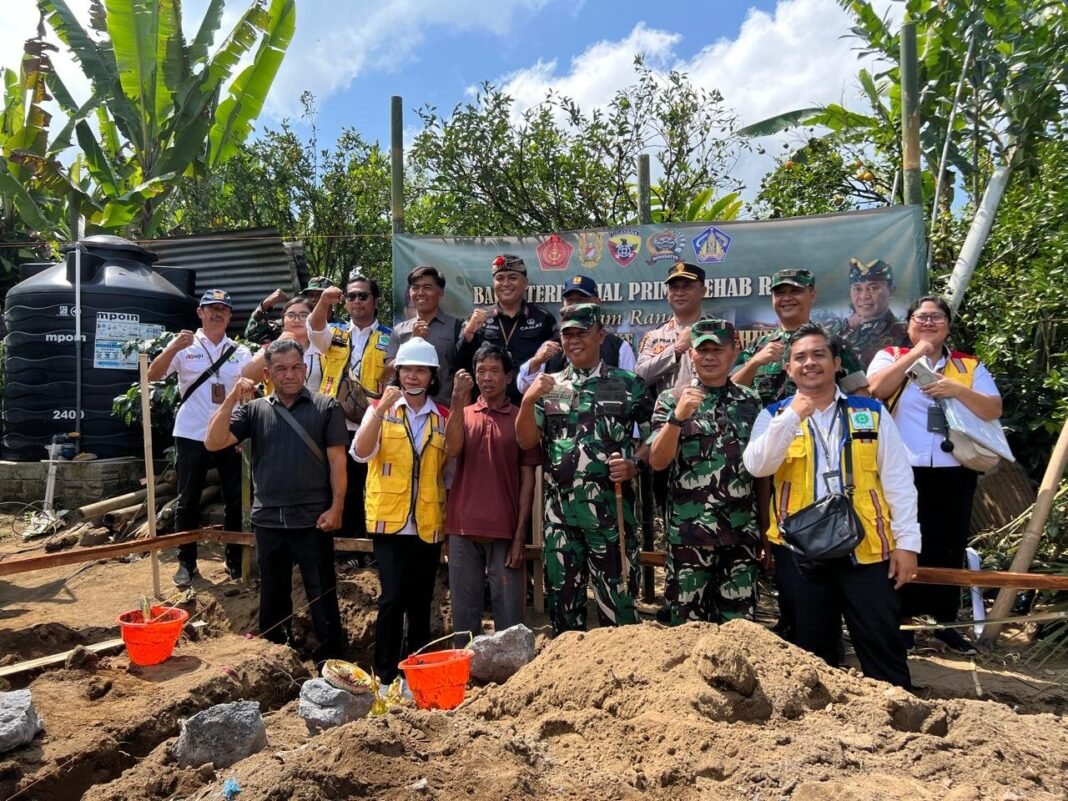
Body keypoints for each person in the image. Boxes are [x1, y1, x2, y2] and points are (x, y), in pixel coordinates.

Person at [743, 322, 921, 689]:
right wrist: (792, 416)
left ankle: (897, 711)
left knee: (881, 642)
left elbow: (899, 481)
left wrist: (907, 544)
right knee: (810, 650)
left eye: (818, 355)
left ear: (837, 363)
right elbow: (758, 466)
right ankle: (819, 719)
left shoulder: (870, 412)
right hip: (800, 551)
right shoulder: (774, 415)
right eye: (800, 358)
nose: (809, 363)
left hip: (868, 548)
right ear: (788, 368)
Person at [867, 295, 1002, 654]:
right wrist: (918, 353)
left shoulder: (968, 365)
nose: (929, 323)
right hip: (902, 470)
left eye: (936, 317)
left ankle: (945, 623)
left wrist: (956, 389)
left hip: (953, 470)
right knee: (901, 544)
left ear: (948, 324)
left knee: (948, 546)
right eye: (921, 318)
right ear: (908, 324)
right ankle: (902, 622)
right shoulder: (891, 356)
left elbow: (993, 408)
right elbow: (876, 390)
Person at [204, 339, 348, 664]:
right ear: (268, 374)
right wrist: (232, 396)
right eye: (281, 369)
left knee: (322, 594)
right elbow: (213, 442)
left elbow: (338, 462)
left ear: (305, 369)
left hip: (313, 519)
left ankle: (332, 662)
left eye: (296, 367)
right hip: (268, 520)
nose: (289, 374)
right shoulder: (254, 411)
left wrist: (337, 507)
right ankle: (276, 662)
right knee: (272, 595)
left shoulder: (326, 407)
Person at [516, 303, 653, 635]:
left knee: (619, 610)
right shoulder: (549, 386)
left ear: (601, 335)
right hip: (560, 519)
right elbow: (525, 440)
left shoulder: (628, 384)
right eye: (568, 334)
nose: (574, 340)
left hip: (611, 517)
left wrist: (634, 464)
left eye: (582, 332)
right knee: (564, 612)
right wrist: (528, 400)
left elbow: (656, 436)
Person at [647, 318, 762, 624]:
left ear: (734, 351)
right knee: (687, 627)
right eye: (703, 350)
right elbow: (657, 461)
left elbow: (760, 470)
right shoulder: (672, 399)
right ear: (691, 354)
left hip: (740, 534)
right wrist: (677, 419)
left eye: (717, 349)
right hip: (690, 534)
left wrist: (764, 528)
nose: (710, 357)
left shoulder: (750, 401)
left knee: (739, 628)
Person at [352, 338, 449, 682]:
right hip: (389, 522)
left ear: (432, 376)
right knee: (392, 598)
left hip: (427, 522)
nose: (412, 376)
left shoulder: (443, 417)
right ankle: (385, 674)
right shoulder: (380, 409)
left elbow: (448, 470)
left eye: (420, 370)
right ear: (398, 373)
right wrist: (380, 410)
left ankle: (417, 674)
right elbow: (360, 453)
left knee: (421, 601)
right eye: (407, 370)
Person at [147, 289, 251, 586]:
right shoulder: (184, 346)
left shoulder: (241, 352)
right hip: (191, 431)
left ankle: (234, 559)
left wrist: (244, 434)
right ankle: (186, 562)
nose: (218, 313)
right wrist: (171, 348)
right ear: (200, 313)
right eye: (211, 308)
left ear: (229, 316)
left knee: (235, 498)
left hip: (229, 433)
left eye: (223, 309)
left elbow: (249, 392)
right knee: (188, 499)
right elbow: (153, 375)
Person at [444, 345, 540, 642]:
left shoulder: (520, 418)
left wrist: (520, 536)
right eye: (481, 371)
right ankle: (466, 671)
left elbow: (528, 480)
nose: (487, 377)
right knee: (463, 621)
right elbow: (452, 448)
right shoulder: (463, 414)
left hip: (504, 531)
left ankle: (514, 673)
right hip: (462, 526)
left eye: (495, 371)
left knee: (510, 624)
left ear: (508, 377)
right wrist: (457, 400)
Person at [308, 273, 392, 552]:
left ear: (375, 300)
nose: (357, 301)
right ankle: (327, 544)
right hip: (330, 419)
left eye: (363, 295)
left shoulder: (390, 336)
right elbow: (314, 330)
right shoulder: (334, 331)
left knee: (359, 485)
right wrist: (323, 301)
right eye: (352, 296)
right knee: (328, 483)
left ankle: (356, 548)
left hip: (368, 422)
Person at [732, 268, 869, 406]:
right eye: (779, 293)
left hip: (820, 419)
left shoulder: (833, 343)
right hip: (766, 419)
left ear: (812, 295)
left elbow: (860, 395)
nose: (786, 298)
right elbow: (729, 393)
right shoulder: (757, 346)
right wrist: (754, 364)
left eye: (795, 291)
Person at [456, 254, 558, 404]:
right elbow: (459, 362)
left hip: (529, 405)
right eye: (500, 278)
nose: (505, 283)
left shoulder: (543, 319)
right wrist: (469, 333)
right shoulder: (477, 318)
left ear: (525, 283)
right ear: (493, 283)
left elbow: (555, 365)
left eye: (512, 278)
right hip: (488, 406)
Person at [516, 274, 636, 393]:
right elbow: (524, 388)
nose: (575, 305)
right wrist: (537, 361)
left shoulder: (618, 347)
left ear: (598, 302)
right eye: (570, 300)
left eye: (582, 299)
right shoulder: (551, 347)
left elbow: (632, 389)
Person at [387, 265, 461, 406]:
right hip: (404, 412)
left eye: (427, 287)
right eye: (415, 288)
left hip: (443, 411)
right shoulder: (399, 330)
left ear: (441, 293)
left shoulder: (456, 327)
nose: (420, 293)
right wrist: (413, 340)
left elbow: (464, 373)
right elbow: (388, 372)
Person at [635, 261, 709, 397]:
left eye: (687, 287)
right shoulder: (654, 336)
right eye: (674, 287)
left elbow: (734, 377)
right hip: (666, 410)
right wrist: (676, 349)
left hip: (711, 408)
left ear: (702, 291)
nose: (679, 293)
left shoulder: (721, 330)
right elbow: (639, 378)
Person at [829, 258, 909, 367]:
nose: (864, 296)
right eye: (857, 289)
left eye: (873, 288)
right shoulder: (845, 332)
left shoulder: (904, 333)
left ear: (891, 292)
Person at [244, 276, 337, 344]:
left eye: (320, 295)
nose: (314, 299)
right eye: (310, 295)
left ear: (333, 299)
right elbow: (252, 335)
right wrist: (265, 304)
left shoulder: (342, 328)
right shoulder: (291, 324)